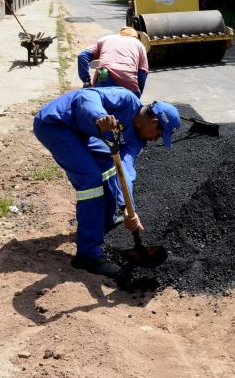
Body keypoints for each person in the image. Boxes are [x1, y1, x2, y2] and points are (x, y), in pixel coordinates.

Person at [33, 88, 181, 277]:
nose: (155, 139)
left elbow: (125, 170)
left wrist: (128, 209)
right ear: (153, 122)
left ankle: (104, 220)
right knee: (91, 181)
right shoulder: (126, 100)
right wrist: (100, 115)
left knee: (109, 165)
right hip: (56, 124)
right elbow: (86, 96)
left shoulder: (137, 140)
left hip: (81, 134)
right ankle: (87, 256)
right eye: (159, 134)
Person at [78, 27, 149, 97]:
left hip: (105, 77)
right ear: (135, 37)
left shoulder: (105, 39)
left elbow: (82, 56)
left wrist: (86, 81)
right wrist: (137, 95)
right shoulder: (139, 44)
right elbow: (142, 73)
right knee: (132, 106)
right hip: (128, 80)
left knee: (98, 103)